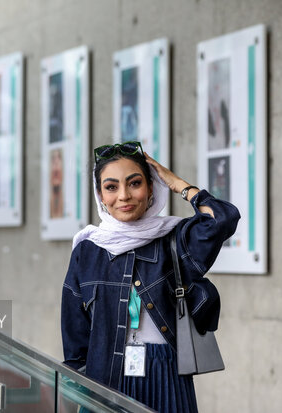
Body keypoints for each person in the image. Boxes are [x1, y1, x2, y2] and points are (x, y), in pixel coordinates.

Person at [61, 141, 240, 412]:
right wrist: (81, 390)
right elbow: (75, 335)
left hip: (164, 372)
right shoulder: (87, 250)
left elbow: (223, 219)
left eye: (134, 183)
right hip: (105, 376)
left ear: (151, 187)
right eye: (111, 187)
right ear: (100, 194)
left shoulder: (175, 239)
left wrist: (177, 182)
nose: (123, 196)